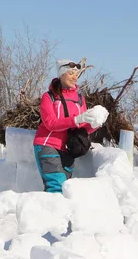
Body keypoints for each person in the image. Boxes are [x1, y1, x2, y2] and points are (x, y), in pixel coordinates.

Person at [33, 59, 108, 193]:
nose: (74, 77)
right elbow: (51, 123)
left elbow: (82, 127)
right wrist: (76, 119)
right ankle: (53, 213)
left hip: (69, 148)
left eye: (76, 74)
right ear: (61, 74)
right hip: (48, 144)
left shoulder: (80, 99)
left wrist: (95, 123)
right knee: (56, 187)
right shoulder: (49, 97)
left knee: (66, 187)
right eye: (71, 73)